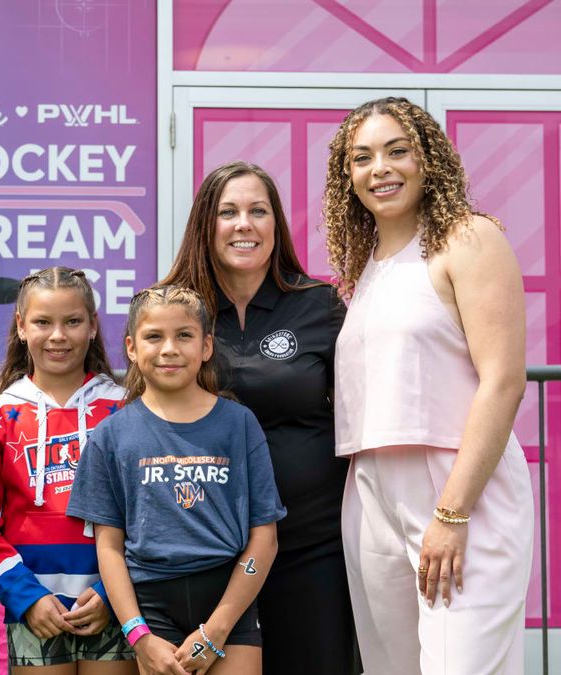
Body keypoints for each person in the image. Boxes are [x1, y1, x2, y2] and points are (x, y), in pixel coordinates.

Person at [324, 96, 532, 674]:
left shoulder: (469, 239)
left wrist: (453, 512)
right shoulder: (368, 265)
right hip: (370, 489)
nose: (380, 169)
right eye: (362, 158)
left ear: (428, 159)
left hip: (457, 485)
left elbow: (504, 382)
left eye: (397, 151)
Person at [161, 161, 356, 673]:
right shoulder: (174, 310)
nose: (243, 224)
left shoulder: (318, 305)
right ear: (206, 224)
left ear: (276, 225)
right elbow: (133, 407)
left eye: (257, 211)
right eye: (228, 212)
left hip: (310, 544)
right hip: (203, 548)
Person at [68, 285, 285, 675]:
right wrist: (138, 634)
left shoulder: (240, 424)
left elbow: (264, 539)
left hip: (229, 601)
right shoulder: (110, 437)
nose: (169, 348)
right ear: (132, 348)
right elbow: (110, 549)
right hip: (151, 608)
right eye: (154, 336)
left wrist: (219, 628)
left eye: (184, 335)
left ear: (206, 346)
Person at [0, 266, 135, 674]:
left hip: (115, 603)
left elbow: (148, 516)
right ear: (21, 326)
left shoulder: (127, 411)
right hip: (34, 608)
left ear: (93, 326)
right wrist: (25, 597)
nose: (58, 336)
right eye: (43, 322)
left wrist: (111, 592)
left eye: (73, 322)